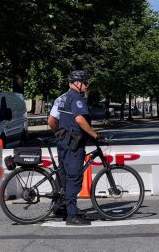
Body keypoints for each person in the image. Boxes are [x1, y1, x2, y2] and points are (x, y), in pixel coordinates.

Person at [56, 70, 99, 226]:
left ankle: (64, 209)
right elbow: (80, 119)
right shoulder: (75, 98)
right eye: (85, 83)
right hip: (73, 144)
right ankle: (71, 216)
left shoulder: (64, 97)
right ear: (77, 83)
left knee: (65, 178)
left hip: (64, 142)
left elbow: (53, 119)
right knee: (74, 178)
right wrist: (94, 134)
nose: (87, 86)